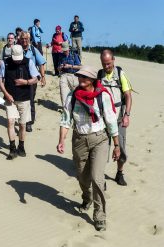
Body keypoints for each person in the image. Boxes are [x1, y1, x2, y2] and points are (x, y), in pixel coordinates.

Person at [57, 65, 120, 231]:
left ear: (92, 79)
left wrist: (116, 145)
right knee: (82, 176)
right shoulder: (72, 96)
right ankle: (87, 197)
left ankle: (99, 215)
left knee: (97, 177)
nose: (81, 79)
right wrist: (61, 140)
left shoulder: (103, 96)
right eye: (79, 77)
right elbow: (65, 120)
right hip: (79, 140)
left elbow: (111, 121)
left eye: (85, 77)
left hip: (100, 139)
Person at [0, 44, 40, 159]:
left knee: (22, 125)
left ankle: (21, 147)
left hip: (25, 99)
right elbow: (0, 81)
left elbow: (36, 78)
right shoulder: (5, 63)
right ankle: (12, 149)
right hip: (10, 99)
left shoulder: (28, 62)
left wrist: (26, 82)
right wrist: (6, 94)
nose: (17, 61)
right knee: (10, 122)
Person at [99, 49, 133, 186]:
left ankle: (119, 173)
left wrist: (127, 115)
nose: (106, 67)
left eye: (108, 63)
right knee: (102, 150)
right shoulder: (99, 75)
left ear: (113, 60)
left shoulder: (120, 74)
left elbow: (128, 96)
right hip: (103, 120)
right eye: (104, 64)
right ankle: (100, 176)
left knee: (121, 149)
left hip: (119, 118)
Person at [20, 31, 46, 132]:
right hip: (19, 78)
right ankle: (21, 120)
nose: (24, 41)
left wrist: (43, 76)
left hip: (32, 78)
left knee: (30, 100)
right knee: (20, 100)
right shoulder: (17, 49)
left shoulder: (34, 50)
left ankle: (29, 123)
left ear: (29, 39)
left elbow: (41, 63)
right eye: (22, 39)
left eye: (26, 39)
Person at [58, 41, 82, 107]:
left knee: (76, 94)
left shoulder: (74, 55)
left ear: (68, 49)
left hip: (73, 76)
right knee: (63, 93)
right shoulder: (61, 56)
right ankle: (65, 109)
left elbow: (80, 67)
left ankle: (75, 107)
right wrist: (60, 67)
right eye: (63, 50)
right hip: (64, 75)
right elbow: (58, 68)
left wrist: (70, 66)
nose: (64, 52)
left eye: (65, 50)